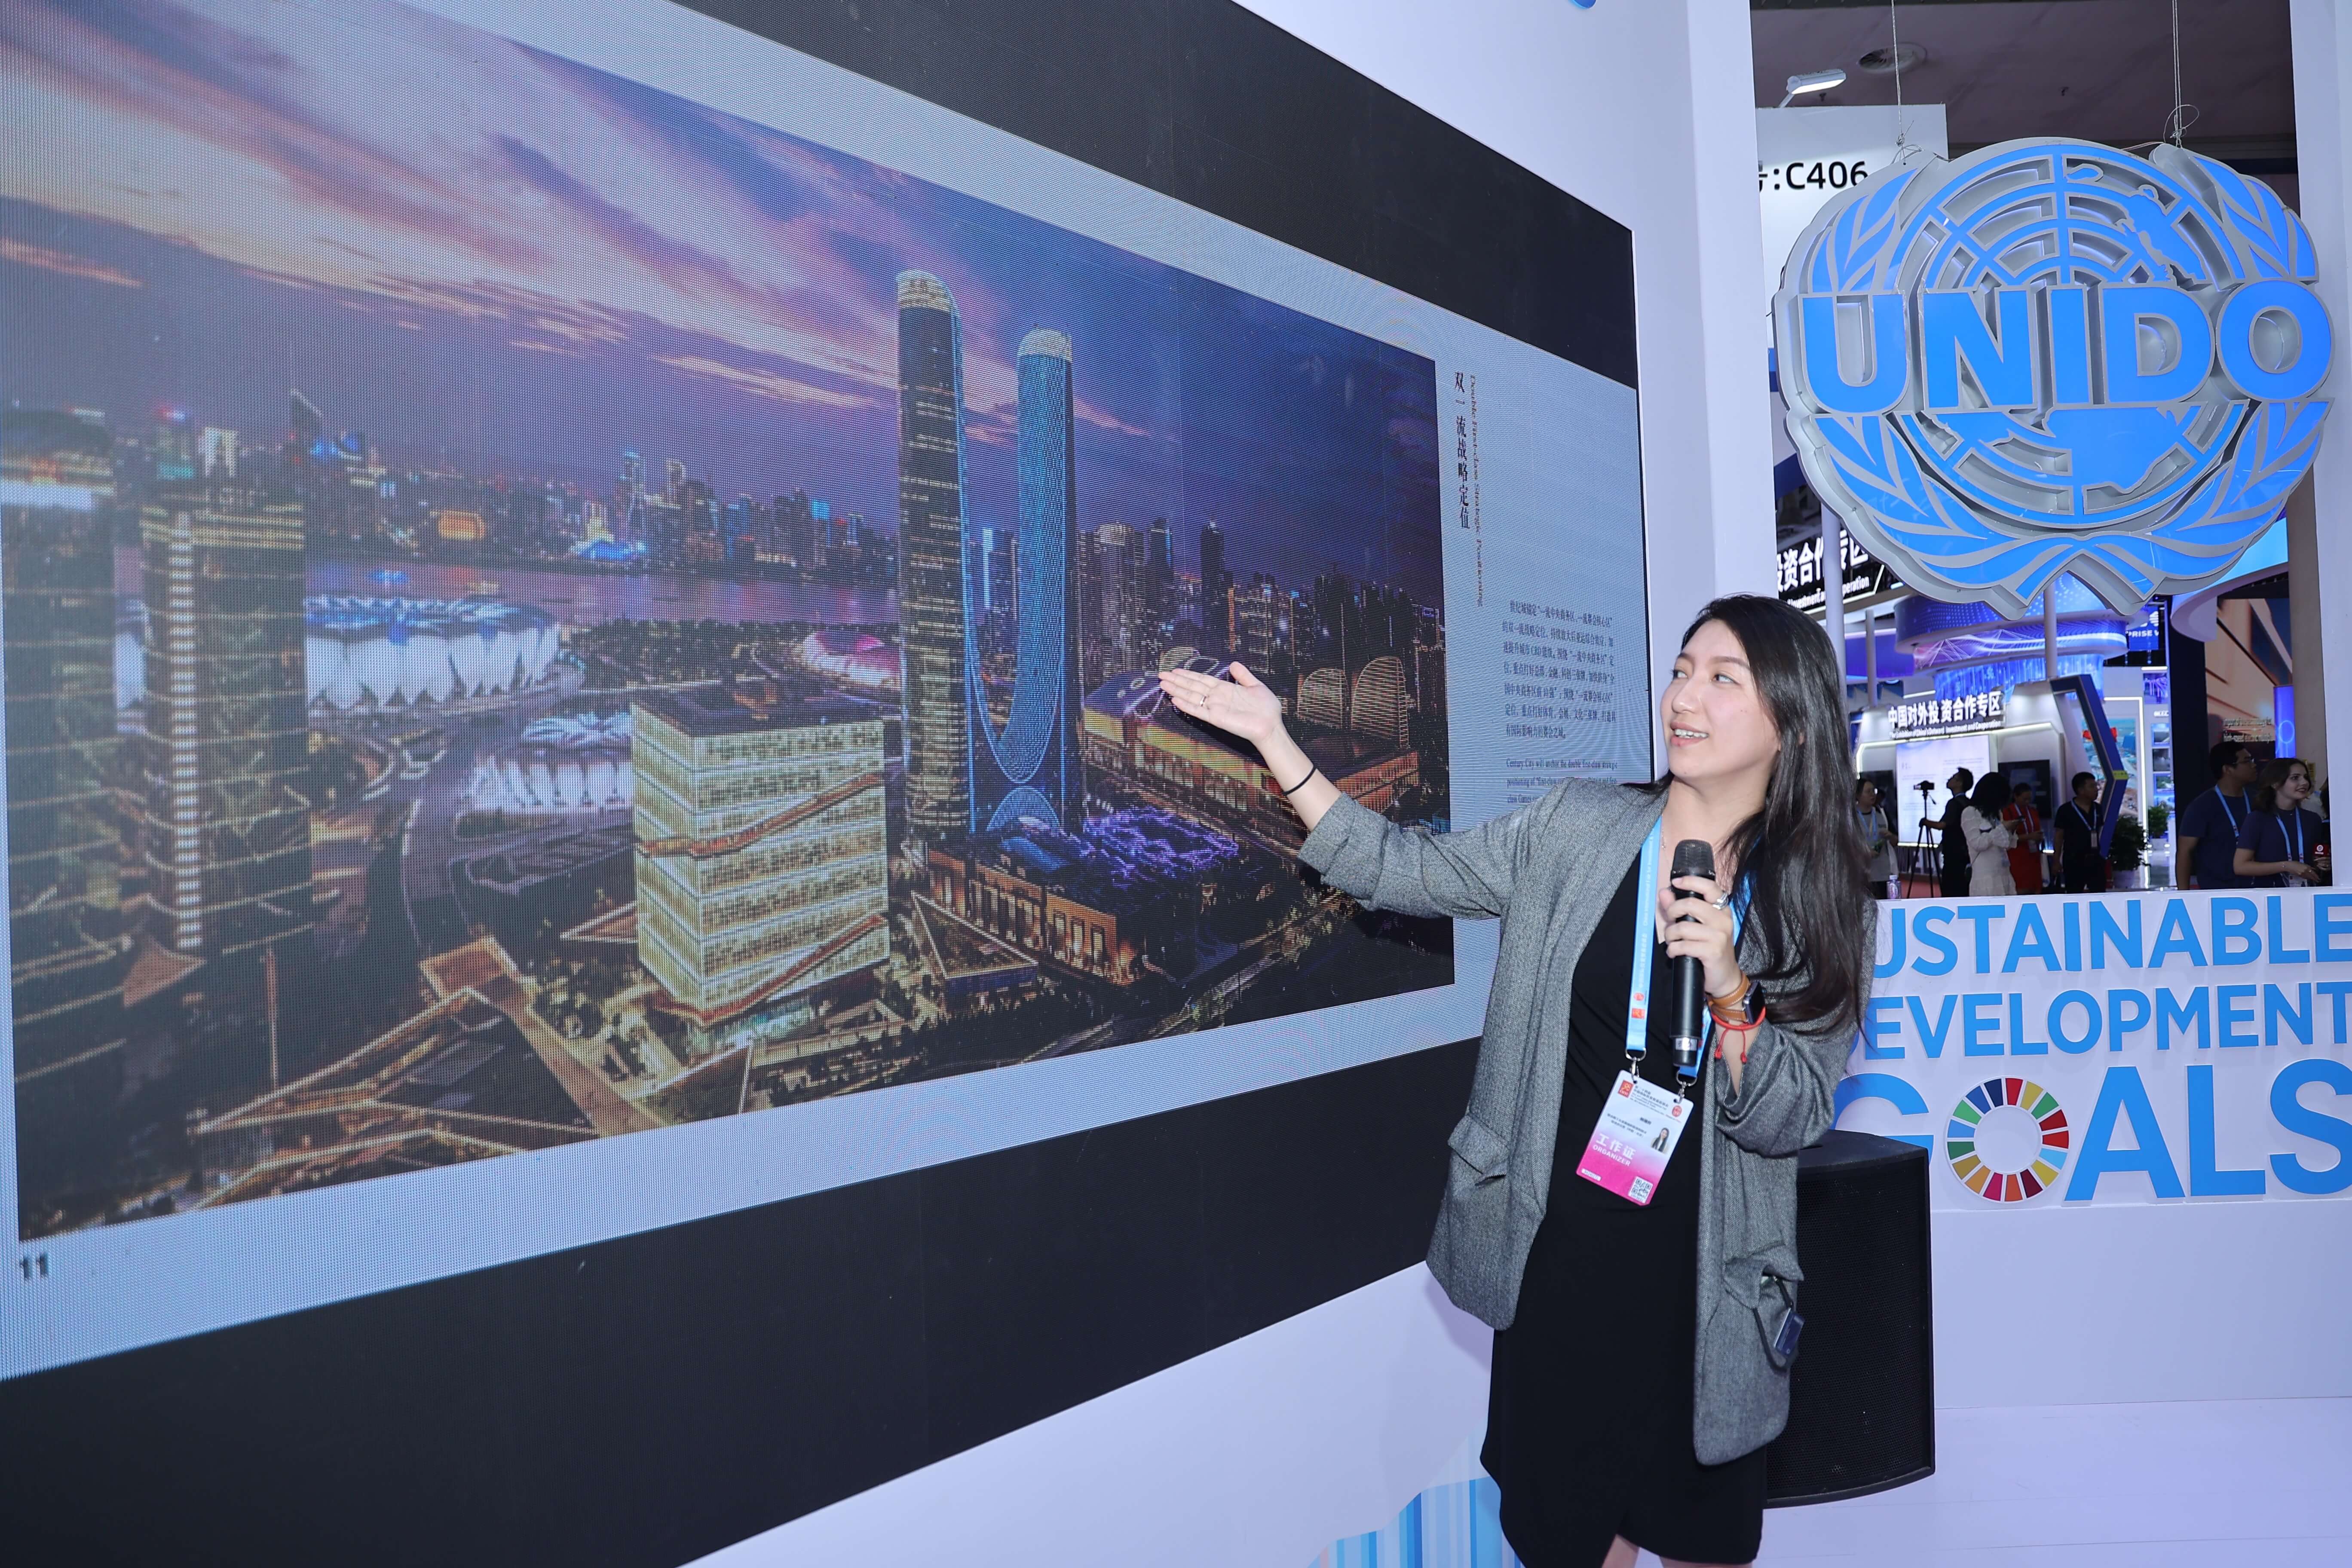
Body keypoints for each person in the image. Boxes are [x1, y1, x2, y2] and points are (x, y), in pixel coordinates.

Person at [1158, 594, 1872, 1568]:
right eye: (1679, 670)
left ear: (1790, 721)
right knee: (1566, 1542)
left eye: (1720, 679)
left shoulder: (1819, 905)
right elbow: (1402, 869)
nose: (1681, 697)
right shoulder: (1576, 828)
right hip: (1562, 1261)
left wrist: (1730, 988)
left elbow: (1791, 1115)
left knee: (1699, 1542)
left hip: (1706, 1290)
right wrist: (1277, 743)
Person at [2234, 757, 2328, 887]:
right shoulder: (2257, 819)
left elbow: (2313, 860)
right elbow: (2240, 866)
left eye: (2306, 777)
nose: (2304, 782)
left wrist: (2323, 863)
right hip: (2270, 894)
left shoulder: (2313, 819)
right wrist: (2286, 866)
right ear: (2275, 784)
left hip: (2306, 893)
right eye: (2295, 778)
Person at [2178, 741, 2258, 889]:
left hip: (2259, 887)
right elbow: (2185, 851)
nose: (2254, 765)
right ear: (2228, 769)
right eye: (2247, 761)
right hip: (2217, 891)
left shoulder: (2258, 800)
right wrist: (2183, 894)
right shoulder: (2202, 806)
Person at [1962, 772, 2019, 897]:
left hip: (2003, 873)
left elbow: (2007, 845)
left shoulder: (1996, 813)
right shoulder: (1970, 812)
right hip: (1985, 876)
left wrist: (2011, 830)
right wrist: (2002, 828)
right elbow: (1978, 844)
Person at [2053, 771, 2107, 894]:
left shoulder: (2098, 809)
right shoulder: (2066, 810)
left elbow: (2098, 830)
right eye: (2092, 786)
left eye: (2096, 786)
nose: (2096, 789)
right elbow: (2059, 837)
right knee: (2074, 894)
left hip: (2095, 859)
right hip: (2074, 860)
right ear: (2081, 790)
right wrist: (2056, 861)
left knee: (2099, 894)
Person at [1934, 766, 1975, 898]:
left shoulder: (1954, 803)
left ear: (1960, 783)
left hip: (1953, 855)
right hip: (1966, 853)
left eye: (1954, 778)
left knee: (1951, 891)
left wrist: (1925, 822)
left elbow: (1942, 825)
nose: (1950, 779)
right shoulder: (1969, 803)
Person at [2002, 780, 2045, 894]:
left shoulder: (2033, 811)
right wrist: (2029, 837)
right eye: (2025, 799)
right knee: (2020, 887)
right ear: (2016, 797)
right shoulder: (2008, 812)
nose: (2027, 802)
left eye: (2029, 799)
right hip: (2017, 856)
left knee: (2035, 887)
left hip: (2033, 855)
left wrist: (2039, 837)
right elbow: (2006, 838)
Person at [1856, 778, 1896, 898]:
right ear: (1858, 795)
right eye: (1868, 792)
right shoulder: (1850, 818)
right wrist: (1864, 851)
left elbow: (1895, 841)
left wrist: (1890, 836)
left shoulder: (1882, 814)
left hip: (1883, 874)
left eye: (1874, 791)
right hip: (1860, 875)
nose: (1873, 795)